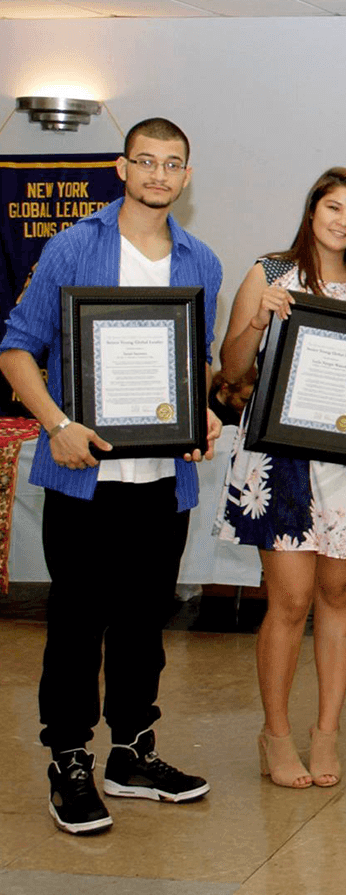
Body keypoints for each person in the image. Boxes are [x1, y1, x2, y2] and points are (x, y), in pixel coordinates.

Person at [0, 117, 222, 834]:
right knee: (75, 627)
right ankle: (69, 760)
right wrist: (58, 425)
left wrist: (206, 415)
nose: (159, 175)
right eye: (146, 161)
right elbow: (15, 350)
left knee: (143, 628)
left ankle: (131, 754)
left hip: (165, 484)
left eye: (173, 164)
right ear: (121, 168)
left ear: (188, 177)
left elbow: (200, 362)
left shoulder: (201, 261)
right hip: (85, 481)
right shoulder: (72, 247)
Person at [215, 167, 346, 789]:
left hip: (345, 465)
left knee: (338, 598)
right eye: (333, 208)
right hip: (279, 461)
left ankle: (326, 733)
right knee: (288, 601)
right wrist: (258, 321)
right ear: (312, 209)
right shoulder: (269, 273)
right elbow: (231, 371)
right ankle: (277, 735)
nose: (343, 222)